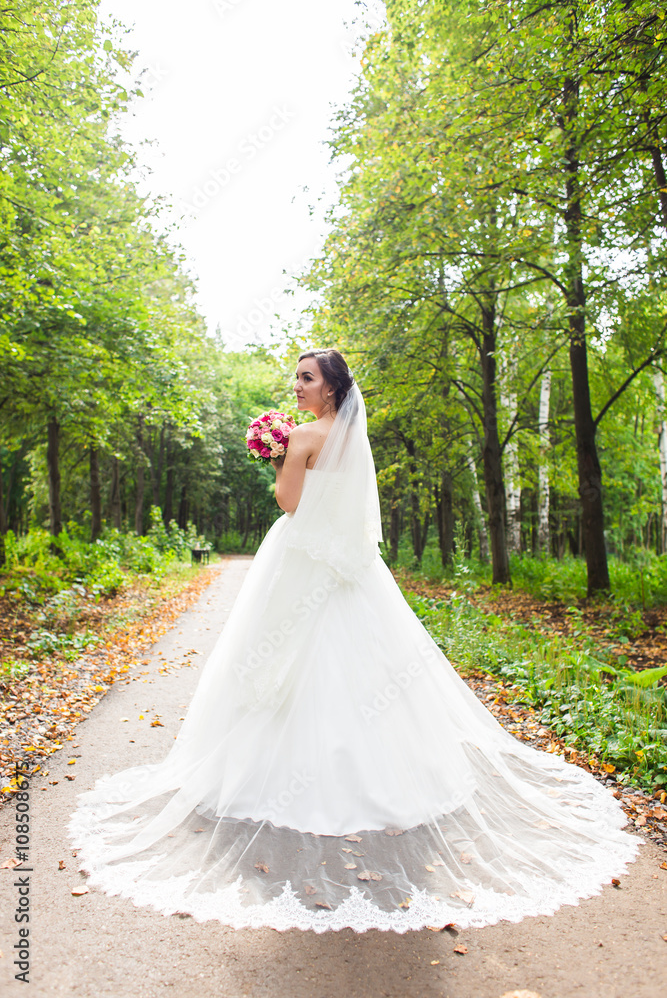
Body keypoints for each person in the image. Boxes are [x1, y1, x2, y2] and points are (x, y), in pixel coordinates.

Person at [70, 348, 638, 932]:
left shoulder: (304, 437)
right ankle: (387, 779)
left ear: (333, 389)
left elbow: (290, 503)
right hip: (349, 566)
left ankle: (278, 779)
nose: (297, 386)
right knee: (365, 666)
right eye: (296, 376)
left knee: (285, 658)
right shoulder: (350, 437)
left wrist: (277, 457)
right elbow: (347, 505)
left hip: (299, 559)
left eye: (307, 378)